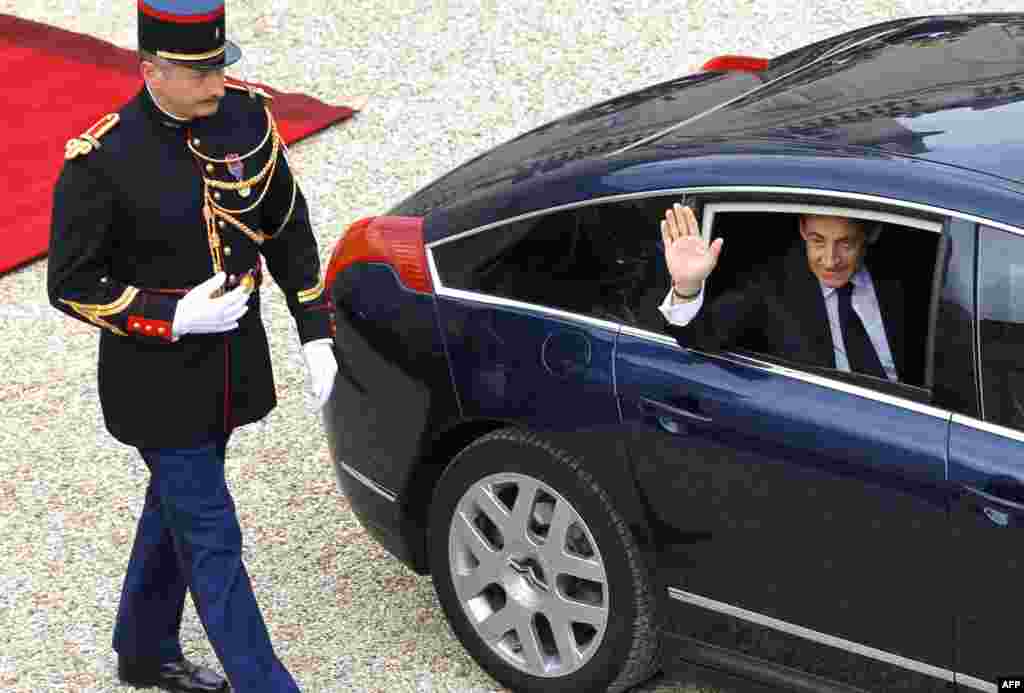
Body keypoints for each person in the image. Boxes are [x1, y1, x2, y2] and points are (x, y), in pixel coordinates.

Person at [47, 2, 337, 691]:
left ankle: (144, 650)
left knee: (174, 505)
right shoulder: (104, 159)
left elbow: (287, 227)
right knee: (213, 538)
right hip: (155, 382)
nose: (216, 84)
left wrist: (315, 332)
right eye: (199, 72)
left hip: (231, 366)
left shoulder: (244, 117)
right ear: (151, 71)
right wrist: (171, 316)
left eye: (218, 66)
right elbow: (71, 283)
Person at [657, 203, 918, 384]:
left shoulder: (902, 275)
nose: (829, 260)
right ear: (803, 229)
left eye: (845, 243)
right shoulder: (772, 287)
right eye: (817, 240)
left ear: (871, 234)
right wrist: (686, 286)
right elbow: (700, 337)